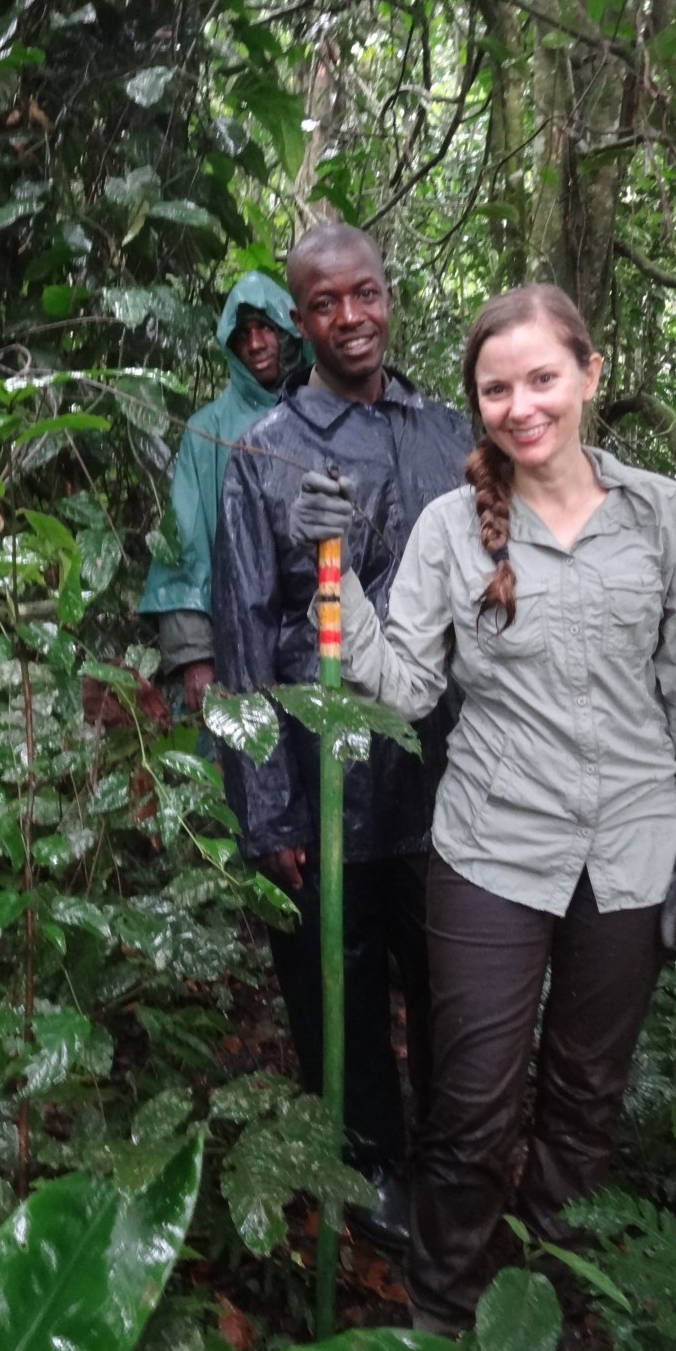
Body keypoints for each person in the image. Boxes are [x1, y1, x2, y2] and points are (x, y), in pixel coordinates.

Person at [290, 283, 676, 1328]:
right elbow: (400, 684)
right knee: (474, 1107)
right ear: (477, 403)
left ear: (590, 374)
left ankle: (544, 1312)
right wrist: (334, 568)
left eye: (542, 378)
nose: (521, 404)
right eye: (497, 387)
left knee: (586, 1105)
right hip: (491, 850)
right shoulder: (454, 528)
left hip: (632, 850)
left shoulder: (663, 515)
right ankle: (440, 1317)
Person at [213, 223, 474, 1247]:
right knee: (338, 985)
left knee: (451, 978)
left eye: (364, 294)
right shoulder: (265, 453)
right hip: (324, 776)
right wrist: (263, 804)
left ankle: (456, 1161)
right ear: (300, 317)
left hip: (450, 774)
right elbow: (242, 633)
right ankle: (369, 1164)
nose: (351, 318)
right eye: (326, 304)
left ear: (386, 293)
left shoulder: (446, 430)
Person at [139, 273, 303, 711]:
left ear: (289, 329)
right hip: (235, 642)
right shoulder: (206, 432)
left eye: (265, 327)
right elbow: (185, 545)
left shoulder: (321, 415)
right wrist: (196, 656)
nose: (256, 344)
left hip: (317, 638)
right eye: (243, 333)